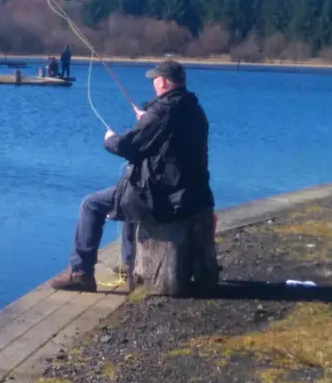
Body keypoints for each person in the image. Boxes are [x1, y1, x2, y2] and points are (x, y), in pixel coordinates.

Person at [50, 60, 214, 291]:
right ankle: (130, 263)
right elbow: (165, 139)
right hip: (191, 192)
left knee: (92, 204)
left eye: (155, 79)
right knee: (130, 195)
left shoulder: (163, 111)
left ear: (164, 82)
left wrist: (109, 140)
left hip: (168, 198)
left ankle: (82, 272)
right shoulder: (192, 108)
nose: (152, 83)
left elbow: (128, 146)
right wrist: (146, 119)